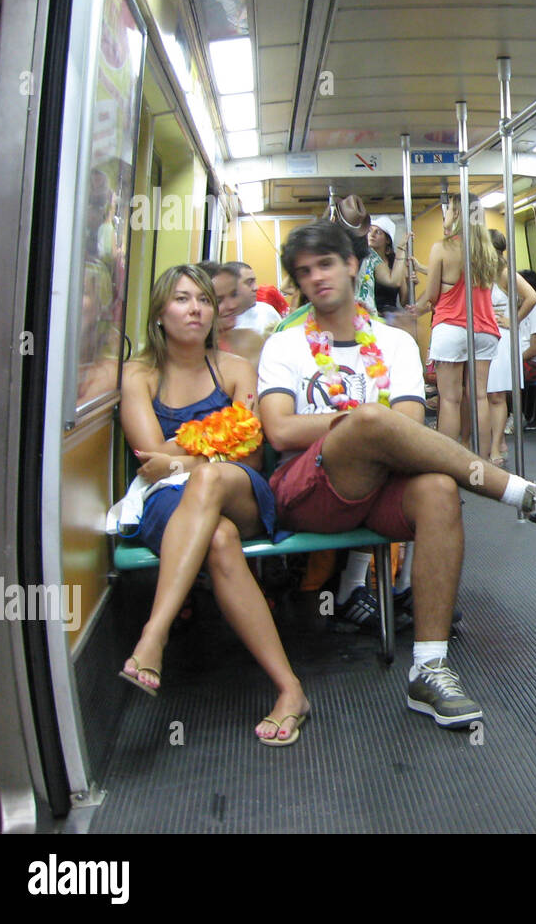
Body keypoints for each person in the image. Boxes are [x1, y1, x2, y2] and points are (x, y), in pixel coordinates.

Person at [257, 220, 536, 727]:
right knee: (371, 418)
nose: (316, 278)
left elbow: (411, 424)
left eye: (326, 264)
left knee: (440, 489)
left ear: (354, 266)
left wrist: (366, 426)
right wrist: (353, 424)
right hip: (308, 491)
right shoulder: (285, 345)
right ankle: (527, 496)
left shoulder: (394, 345)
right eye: (304, 272)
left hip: (380, 487)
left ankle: (429, 667)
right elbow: (282, 431)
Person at [113, 265, 309, 745]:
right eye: (182, 300)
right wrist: (191, 459)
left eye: (203, 300)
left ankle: (152, 636)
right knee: (217, 539)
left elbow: (252, 451)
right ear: (159, 312)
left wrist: (180, 461)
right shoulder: (138, 375)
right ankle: (290, 690)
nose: (196, 309)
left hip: (238, 489)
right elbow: (146, 455)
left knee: (210, 480)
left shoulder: (237, 369)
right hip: (168, 503)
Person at [411, 193, 501, 445]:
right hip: (484, 329)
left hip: (451, 328)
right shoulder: (487, 251)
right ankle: (482, 461)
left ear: (458, 214)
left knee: (450, 400)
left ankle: (448, 464)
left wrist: (416, 310)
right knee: (480, 397)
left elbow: (431, 296)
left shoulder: (442, 247)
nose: (445, 214)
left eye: (449, 209)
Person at [486, 229, 536, 464]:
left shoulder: (506, 274)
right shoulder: (480, 273)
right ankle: (495, 441)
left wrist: (513, 320)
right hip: (484, 336)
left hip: (503, 338)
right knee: (483, 394)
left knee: (496, 394)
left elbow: (532, 297)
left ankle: (496, 445)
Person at [226, 261, 283, 336]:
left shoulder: (266, 311)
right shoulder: (220, 318)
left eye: (254, 281)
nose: (256, 288)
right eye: (249, 282)